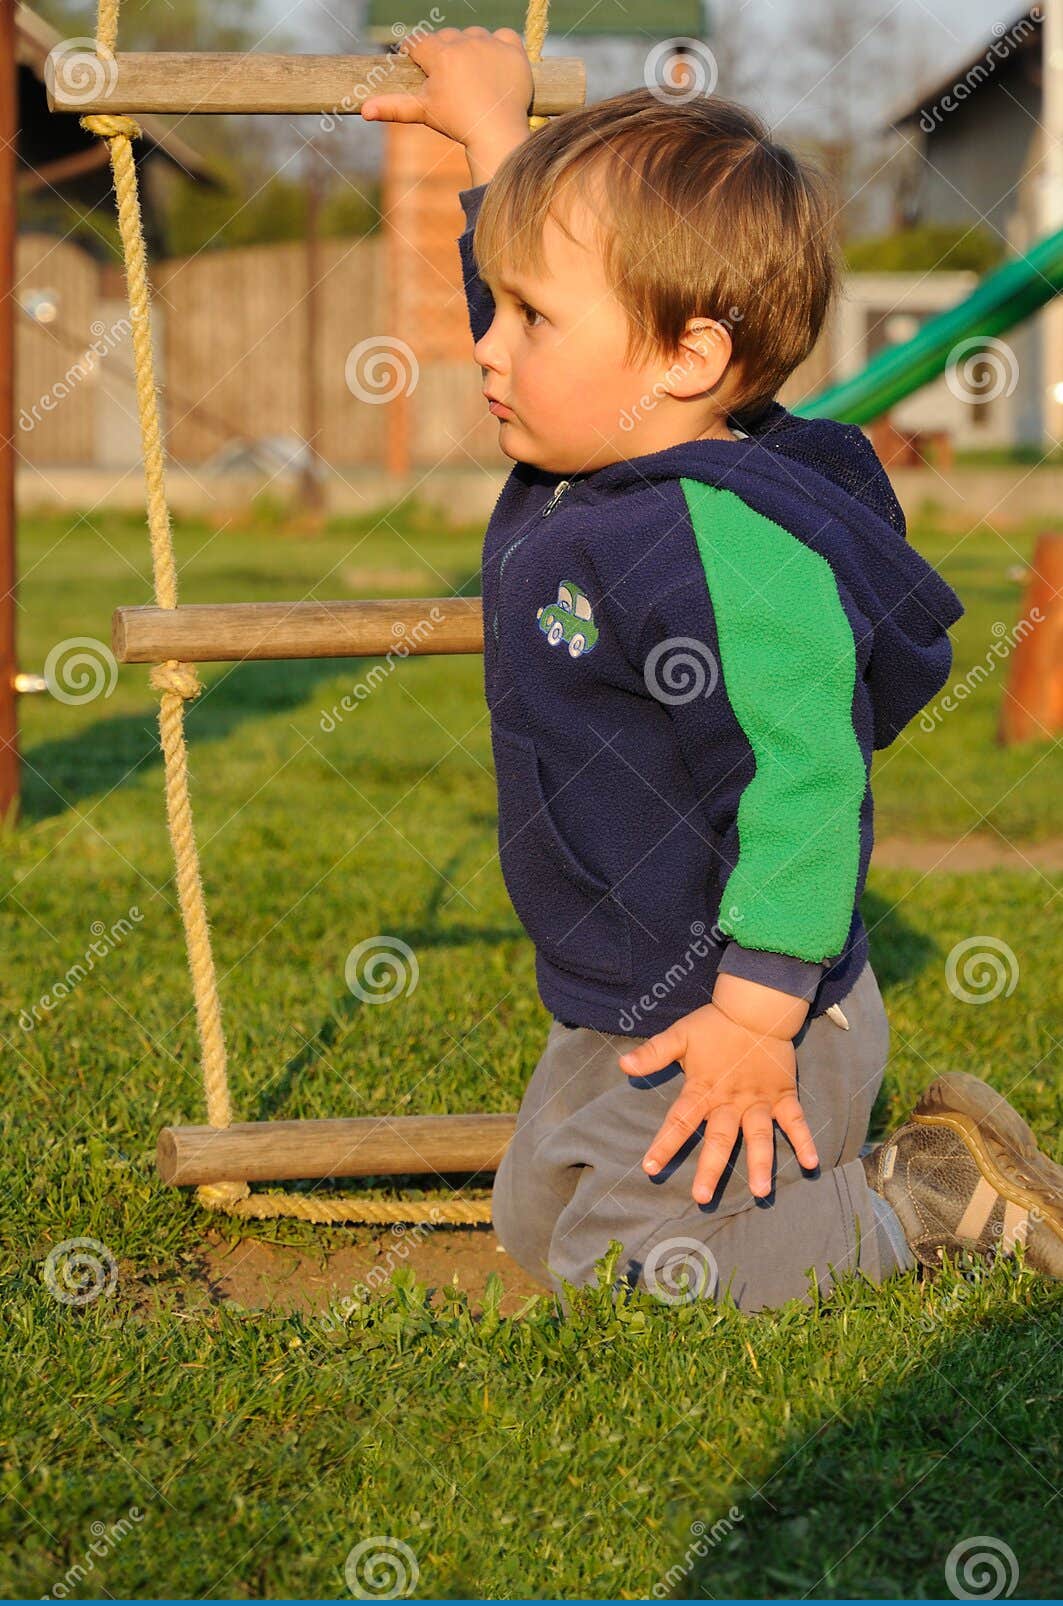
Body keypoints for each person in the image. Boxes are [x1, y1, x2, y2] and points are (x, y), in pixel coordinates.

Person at [361, 27, 1063, 1309]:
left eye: (524, 318)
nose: (486, 344)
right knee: (534, 1222)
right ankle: (786, 1184)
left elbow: (807, 779)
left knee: (644, 1278)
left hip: (748, 998)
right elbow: (573, 297)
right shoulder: (599, 445)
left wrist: (755, 1018)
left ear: (684, 360)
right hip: (623, 987)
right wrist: (490, 137)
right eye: (497, 306)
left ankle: (915, 1196)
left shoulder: (726, 546)